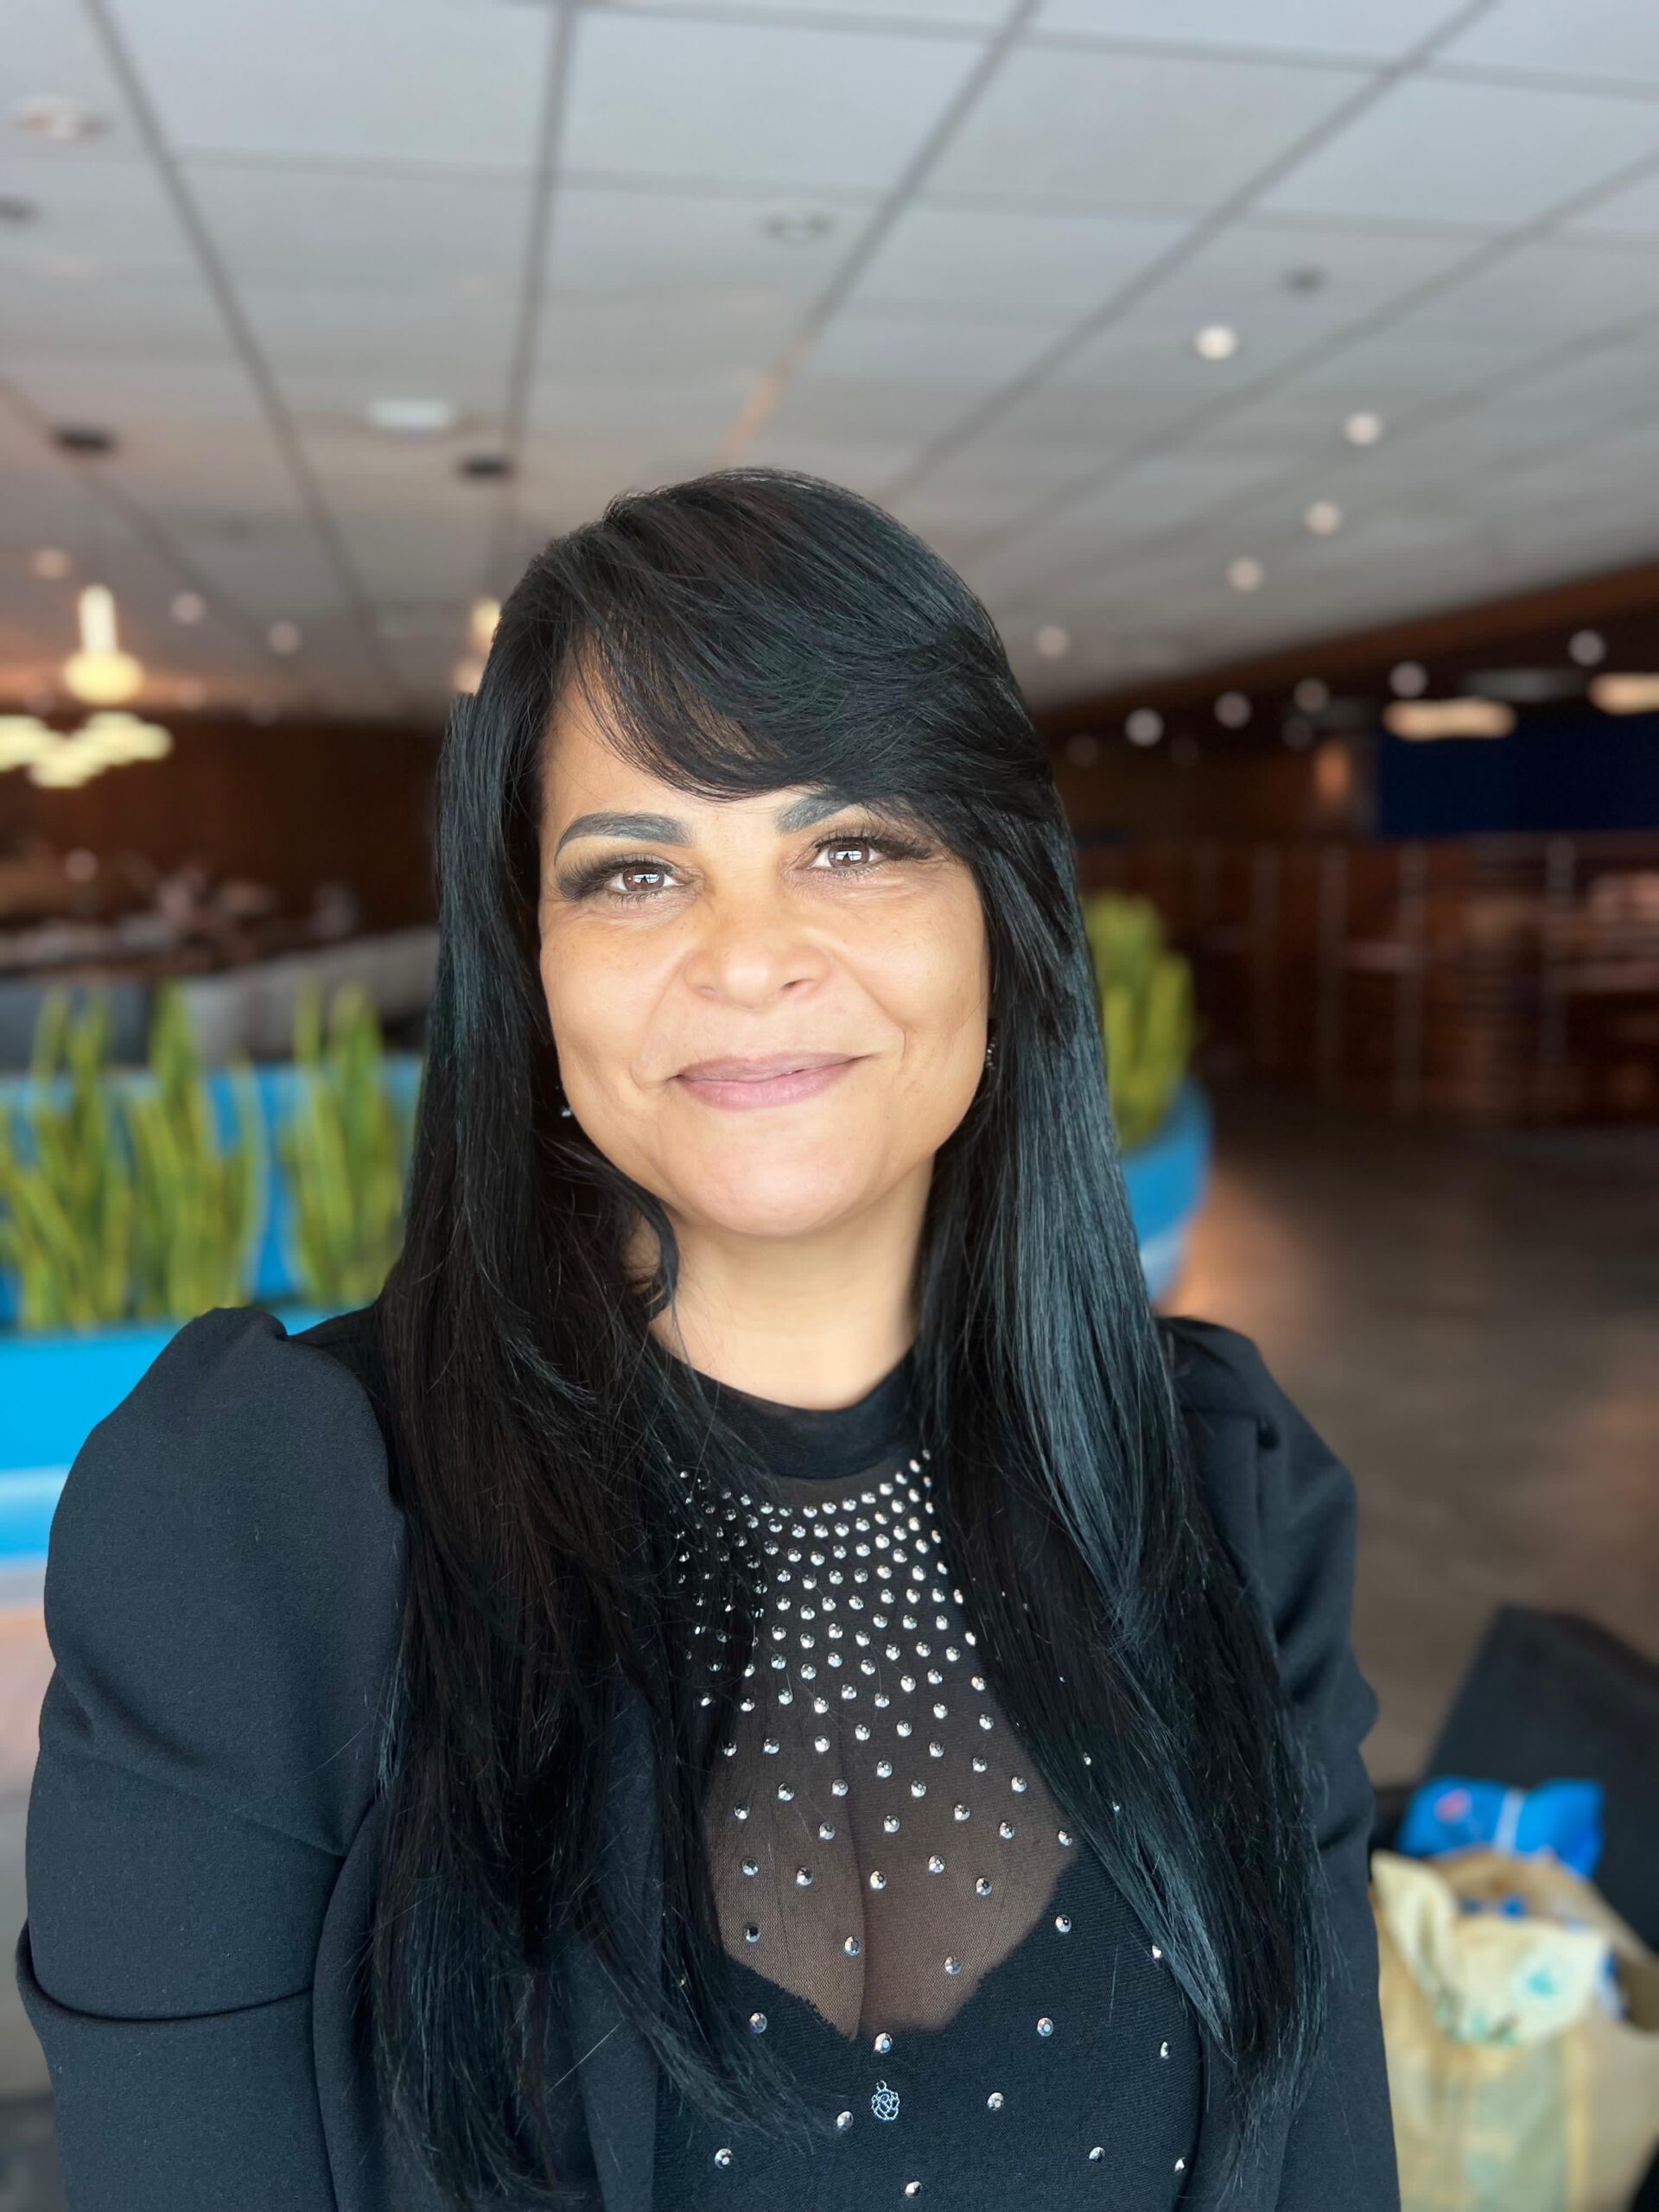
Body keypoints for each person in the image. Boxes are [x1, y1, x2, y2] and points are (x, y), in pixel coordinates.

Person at [16, 467, 1399, 2212]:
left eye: (853, 844)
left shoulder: (1223, 1493)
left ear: (1004, 916)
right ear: (531, 965)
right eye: (634, 871)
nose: (750, 959)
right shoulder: (257, 1529)